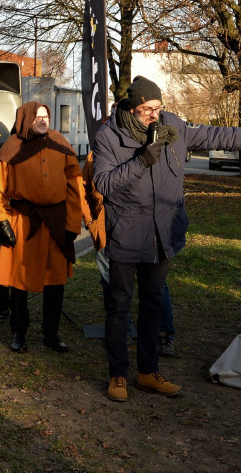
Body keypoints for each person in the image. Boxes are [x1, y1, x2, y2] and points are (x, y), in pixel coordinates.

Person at [93, 75, 241, 401]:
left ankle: (148, 372)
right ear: (132, 109)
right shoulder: (109, 135)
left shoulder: (171, 125)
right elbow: (104, 184)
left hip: (161, 234)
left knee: (151, 306)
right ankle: (118, 375)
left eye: (159, 108)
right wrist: (142, 159)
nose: (155, 115)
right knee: (118, 307)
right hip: (126, 234)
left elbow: (218, 134)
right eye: (148, 110)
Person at [0, 101, 83, 354]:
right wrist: (2, 221)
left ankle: (51, 334)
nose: (43, 121)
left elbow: (76, 187)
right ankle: (19, 332)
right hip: (23, 221)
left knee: (55, 281)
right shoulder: (11, 149)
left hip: (55, 221)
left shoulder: (60, 144)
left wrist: (73, 224)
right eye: (37, 117)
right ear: (25, 120)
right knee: (19, 281)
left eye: (46, 116)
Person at [82, 152, 176, 355]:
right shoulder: (99, 151)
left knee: (156, 285)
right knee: (113, 283)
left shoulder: (154, 148)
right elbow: (85, 189)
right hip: (110, 230)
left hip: (148, 229)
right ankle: (121, 333)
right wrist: (92, 223)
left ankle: (164, 335)